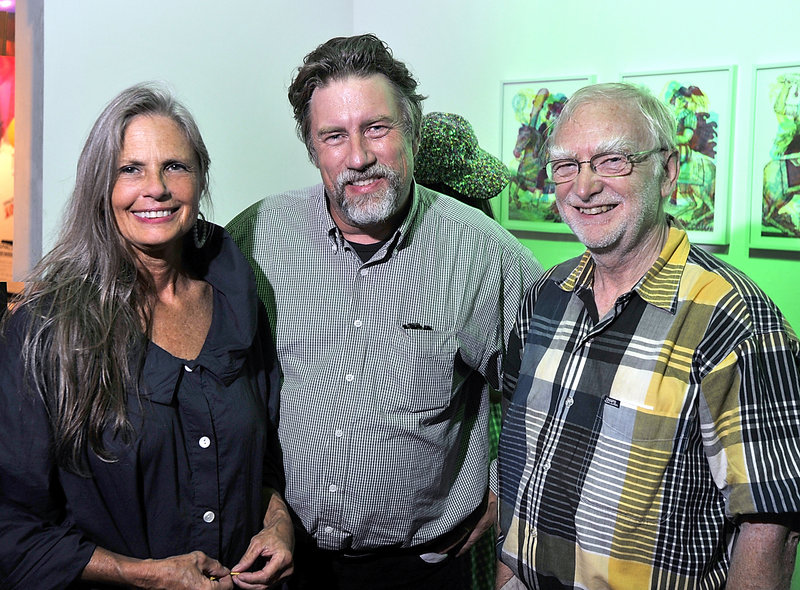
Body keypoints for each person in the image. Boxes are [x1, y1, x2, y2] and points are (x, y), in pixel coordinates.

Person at [226, 34, 542, 590]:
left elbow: (545, 388)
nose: (358, 156)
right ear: (312, 148)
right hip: (284, 562)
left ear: (411, 131)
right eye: (334, 136)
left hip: (422, 570)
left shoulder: (485, 253)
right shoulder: (256, 237)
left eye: (377, 128)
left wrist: (504, 487)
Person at [495, 82, 800, 590]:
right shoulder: (544, 295)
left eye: (612, 160)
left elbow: (770, 526)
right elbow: (515, 454)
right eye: (565, 165)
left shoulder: (735, 318)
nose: (583, 187)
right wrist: (507, 574)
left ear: (668, 173)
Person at [0, 83, 293, 590]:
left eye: (174, 167)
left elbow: (261, 458)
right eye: (130, 169)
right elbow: (11, 526)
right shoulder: (46, 328)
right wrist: (144, 576)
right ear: (100, 186)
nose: (155, 188)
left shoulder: (236, 302)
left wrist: (278, 523)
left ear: (200, 180)